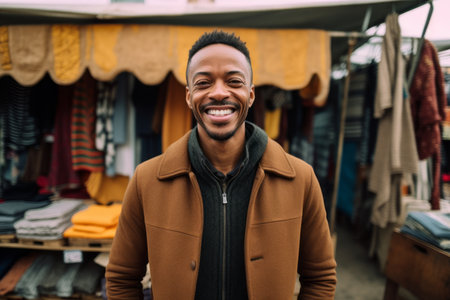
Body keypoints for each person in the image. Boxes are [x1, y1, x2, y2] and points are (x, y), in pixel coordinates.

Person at [106, 30, 337, 300]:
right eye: (204, 83)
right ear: (189, 96)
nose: (218, 93)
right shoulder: (147, 180)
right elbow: (122, 279)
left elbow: (320, 279)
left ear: (250, 95)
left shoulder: (300, 179)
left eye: (234, 81)